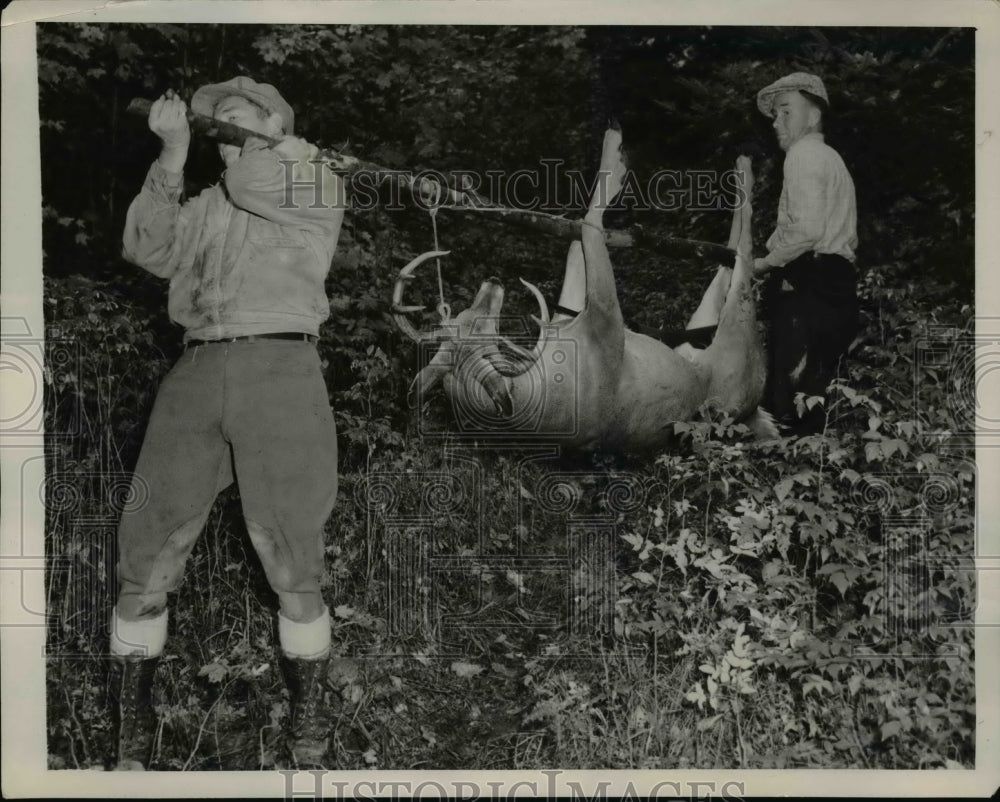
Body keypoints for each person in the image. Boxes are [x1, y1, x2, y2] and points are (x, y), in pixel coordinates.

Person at [111, 76, 344, 769]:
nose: (225, 122)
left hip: (282, 370)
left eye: (242, 115)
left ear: (276, 123)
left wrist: (271, 149)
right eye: (219, 118)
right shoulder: (204, 204)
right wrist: (173, 158)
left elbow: (254, 187)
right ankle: (131, 728)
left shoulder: (313, 179)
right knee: (147, 547)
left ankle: (307, 714)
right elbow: (144, 248)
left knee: (289, 549)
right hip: (196, 373)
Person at [752, 72, 859, 434]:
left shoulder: (803, 155)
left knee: (789, 396)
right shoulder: (831, 159)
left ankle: (788, 471)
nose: (777, 122)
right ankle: (812, 473)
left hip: (810, 282)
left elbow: (808, 230)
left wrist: (764, 264)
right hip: (836, 281)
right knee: (815, 388)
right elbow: (827, 230)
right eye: (775, 115)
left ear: (812, 116)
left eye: (786, 112)